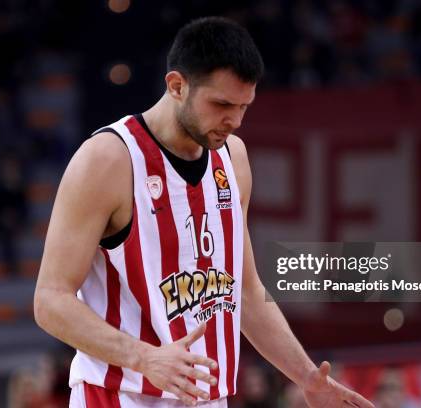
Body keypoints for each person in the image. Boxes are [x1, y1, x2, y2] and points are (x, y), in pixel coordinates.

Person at [34, 16, 374, 408]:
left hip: (208, 399)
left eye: (245, 106)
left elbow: (244, 292)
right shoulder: (108, 160)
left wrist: (307, 378)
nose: (235, 120)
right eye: (222, 104)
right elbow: (50, 300)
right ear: (177, 86)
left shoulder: (234, 159)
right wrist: (144, 356)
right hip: (121, 395)